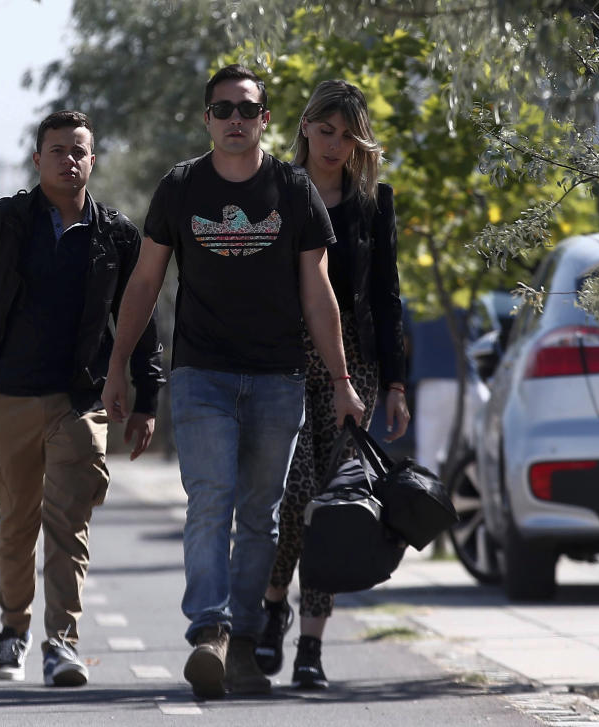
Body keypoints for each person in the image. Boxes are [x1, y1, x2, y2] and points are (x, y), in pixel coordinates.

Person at [101, 65, 366, 699]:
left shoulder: (294, 189)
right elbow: (144, 283)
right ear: (207, 119)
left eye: (246, 109)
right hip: (202, 375)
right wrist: (118, 367)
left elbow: (319, 292)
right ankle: (209, 633)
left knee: (260, 517)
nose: (235, 120)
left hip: (278, 377)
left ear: (266, 120)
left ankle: (243, 642)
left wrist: (341, 380)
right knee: (211, 502)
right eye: (222, 110)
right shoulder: (181, 187)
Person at [0, 110, 164, 687]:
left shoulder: (117, 234)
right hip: (6, 394)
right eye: (57, 150)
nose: (70, 160)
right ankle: (14, 631)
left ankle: (63, 644)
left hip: (79, 399)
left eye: (79, 150)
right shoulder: (4, 221)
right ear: (38, 160)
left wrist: (146, 397)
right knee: (17, 523)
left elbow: (139, 318)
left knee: (69, 526)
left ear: (94, 159)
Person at [255, 80, 410, 689]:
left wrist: (395, 384)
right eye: (326, 130)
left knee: (336, 509)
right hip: (287, 366)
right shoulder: (276, 193)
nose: (335, 144)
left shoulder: (374, 203)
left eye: (347, 135)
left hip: (356, 371)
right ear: (304, 128)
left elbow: (387, 296)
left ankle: (312, 649)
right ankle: (273, 610)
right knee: (293, 499)